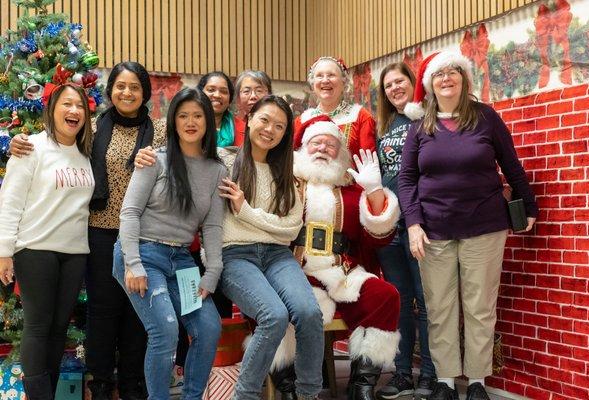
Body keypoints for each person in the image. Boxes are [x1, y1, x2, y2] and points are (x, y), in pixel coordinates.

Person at [135, 95, 324, 400]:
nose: (270, 129)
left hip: (277, 255)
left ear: (286, 133)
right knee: (273, 316)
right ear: (248, 120)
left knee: (309, 312)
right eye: (264, 120)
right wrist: (148, 155)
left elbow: (291, 228)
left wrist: (246, 210)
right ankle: (245, 395)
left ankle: (308, 393)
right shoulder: (222, 161)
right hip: (235, 255)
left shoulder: (287, 173)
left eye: (279, 126)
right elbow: (183, 144)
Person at [9, 61, 166, 400]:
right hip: (93, 236)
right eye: (120, 86)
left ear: (145, 94)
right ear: (110, 92)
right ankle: (99, 384)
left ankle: (131, 384)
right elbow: (23, 187)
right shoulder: (90, 129)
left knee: (136, 317)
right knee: (98, 315)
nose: (127, 92)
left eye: (135, 87)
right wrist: (16, 143)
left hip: (136, 238)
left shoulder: (159, 131)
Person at [399, 51, 538, 400]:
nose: (446, 78)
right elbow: (407, 180)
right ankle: (445, 382)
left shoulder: (487, 118)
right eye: (439, 74)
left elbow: (511, 164)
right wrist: (414, 224)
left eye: (453, 72)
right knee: (440, 307)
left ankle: (477, 381)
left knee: (480, 306)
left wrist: (529, 204)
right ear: (430, 83)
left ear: (464, 78)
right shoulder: (419, 129)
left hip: (485, 226)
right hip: (433, 231)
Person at [271, 115, 401, 400]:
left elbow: (378, 237)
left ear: (340, 152)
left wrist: (375, 192)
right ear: (303, 147)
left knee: (385, 295)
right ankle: (287, 385)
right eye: (316, 142)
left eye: (330, 144)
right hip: (294, 270)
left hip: (341, 272)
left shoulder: (352, 187)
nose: (322, 148)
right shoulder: (283, 181)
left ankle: (361, 385)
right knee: (276, 301)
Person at [113, 87, 225, 400]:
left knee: (209, 328)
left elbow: (213, 226)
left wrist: (212, 271)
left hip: (182, 263)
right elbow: (130, 213)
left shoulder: (217, 170)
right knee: (164, 329)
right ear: (173, 122)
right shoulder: (154, 160)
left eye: (198, 116)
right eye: (183, 115)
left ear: (207, 122)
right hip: (142, 253)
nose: (191, 122)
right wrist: (133, 263)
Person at [0, 84, 95, 400]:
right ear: (52, 108)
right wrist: (4, 251)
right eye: (67, 104)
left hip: (74, 252)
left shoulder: (85, 153)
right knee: (39, 327)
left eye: (80, 105)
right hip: (35, 248)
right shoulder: (31, 148)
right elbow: (10, 201)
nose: (74, 111)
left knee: (57, 330)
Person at [374, 62, 436, 400]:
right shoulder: (385, 125)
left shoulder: (427, 116)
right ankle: (402, 374)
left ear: (414, 83)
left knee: (426, 303)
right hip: (388, 227)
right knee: (400, 301)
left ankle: (428, 373)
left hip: (420, 224)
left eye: (400, 82)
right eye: (388, 86)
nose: (395, 89)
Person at [293, 56, 376, 158]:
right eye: (319, 76)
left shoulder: (361, 117)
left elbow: (370, 165)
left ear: (343, 82)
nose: (325, 80)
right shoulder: (301, 121)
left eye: (331, 75)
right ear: (313, 84)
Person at [197, 71, 238, 146]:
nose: (217, 95)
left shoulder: (241, 128)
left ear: (230, 99)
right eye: (211, 90)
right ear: (199, 94)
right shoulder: (188, 124)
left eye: (223, 91)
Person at [233, 69, 272, 146]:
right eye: (246, 91)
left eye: (259, 90)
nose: (253, 96)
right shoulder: (230, 126)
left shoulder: (278, 125)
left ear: (270, 95)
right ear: (238, 99)